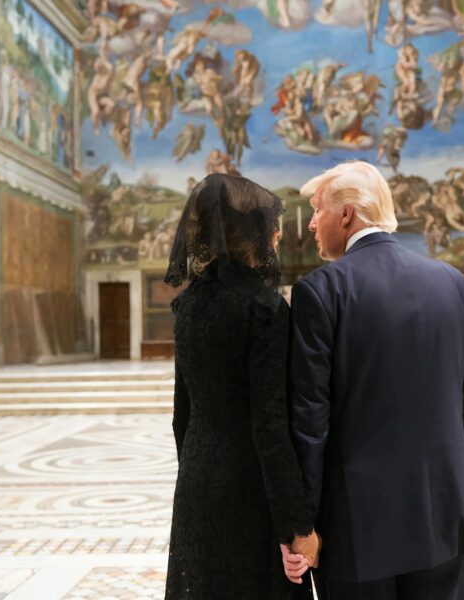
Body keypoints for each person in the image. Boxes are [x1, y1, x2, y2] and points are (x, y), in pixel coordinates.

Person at [283, 161, 464, 599]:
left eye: (318, 209)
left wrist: (304, 525)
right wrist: (456, 489)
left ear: (347, 214)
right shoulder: (452, 282)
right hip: (445, 514)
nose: (312, 222)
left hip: (359, 526)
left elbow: (310, 420)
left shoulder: (321, 290)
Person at [164, 173, 320, 599]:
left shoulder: (189, 304)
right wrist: (297, 524)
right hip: (249, 489)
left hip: (197, 480)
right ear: (256, 235)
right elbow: (270, 426)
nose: (276, 235)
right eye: (272, 227)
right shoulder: (264, 308)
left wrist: (198, 470)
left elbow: (182, 415)